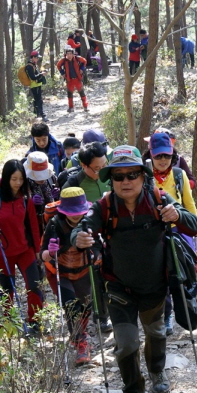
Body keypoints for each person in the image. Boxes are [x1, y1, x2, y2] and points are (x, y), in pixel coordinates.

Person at [72, 145, 197, 393]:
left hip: (154, 286)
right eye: (118, 176)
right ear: (111, 180)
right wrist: (79, 238)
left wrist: (177, 215)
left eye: (132, 174)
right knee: (127, 343)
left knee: (155, 333)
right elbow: (82, 228)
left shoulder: (159, 199)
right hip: (118, 287)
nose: (125, 181)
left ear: (143, 176)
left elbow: (194, 224)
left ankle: (156, 369)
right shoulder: (104, 206)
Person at [145, 130, 197, 335]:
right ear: (151, 155)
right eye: (158, 156)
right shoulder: (143, 176)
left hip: (179, 232)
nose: (163, 160)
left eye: (167, 156)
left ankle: (183, 312)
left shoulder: (179, 175)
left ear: (173, 155)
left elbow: (189, 206)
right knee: (160, 277)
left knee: (181, 275)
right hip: (154, 235)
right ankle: (164, 313)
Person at [0, 160, 43, 333]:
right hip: (2, 253)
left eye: (21, 179)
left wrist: (37, 250)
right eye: (14, 179)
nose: (18, 183)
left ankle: (34, 322)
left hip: (25, 251)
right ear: (6, 178)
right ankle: (8, 324)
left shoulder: (25, 198)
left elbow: (33, 226)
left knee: (34, 286)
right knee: (7, 291)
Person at [61, 142, 111, 333]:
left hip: (114, 231)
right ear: (84, 165)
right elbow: (63, 212)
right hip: (90, 235)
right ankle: (101, 315)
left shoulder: (111, 175)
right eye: (96, 168)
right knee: (96, 275)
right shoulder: (73, 184)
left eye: (104, 165)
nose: (101, 171)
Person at [41, 187, 93, 365]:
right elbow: (42, 253)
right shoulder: (54, 224)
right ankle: (80, 343)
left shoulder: (90, 221)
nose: (75, 215)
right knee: (71, 306)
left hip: (84, 270)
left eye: (79, 212)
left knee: (85, 307)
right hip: (61, 272)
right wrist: (50, 251)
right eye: (71, 212)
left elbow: (100, 246)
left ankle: (80, 334)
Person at [24, 151, 60, 234]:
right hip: (34, 224)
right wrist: (30, 201)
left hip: (52, 220)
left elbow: (60, 195)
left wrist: (57, 195)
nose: (41, 179)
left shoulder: (52, 178)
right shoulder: (25, 182)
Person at [57, 46, 88, 114]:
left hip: (77, 79)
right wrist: (62, 73)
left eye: (70, 54)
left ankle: (85, 106)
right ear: (66, 54)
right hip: (69, 80)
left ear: (73, 54)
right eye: (67, 54)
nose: (69, 55)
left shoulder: (77, 58)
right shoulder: (63, 60)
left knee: (81, 93)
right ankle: (71, 108)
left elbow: (84, 61)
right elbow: (58, 65)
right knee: (69, 94)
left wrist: (82, 69)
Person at [25, 50, 47, 121]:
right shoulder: (29, 67)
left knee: (36, 100)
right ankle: (42, 115)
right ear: (33, 57)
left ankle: (36, 115)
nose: (37, 59)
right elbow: (33, 77)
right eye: (37, 58)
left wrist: (41, 73)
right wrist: (41, 74)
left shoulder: (33, 65)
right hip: (34, 86)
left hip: (37, 85)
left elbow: (35, 75)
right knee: (39, 100)